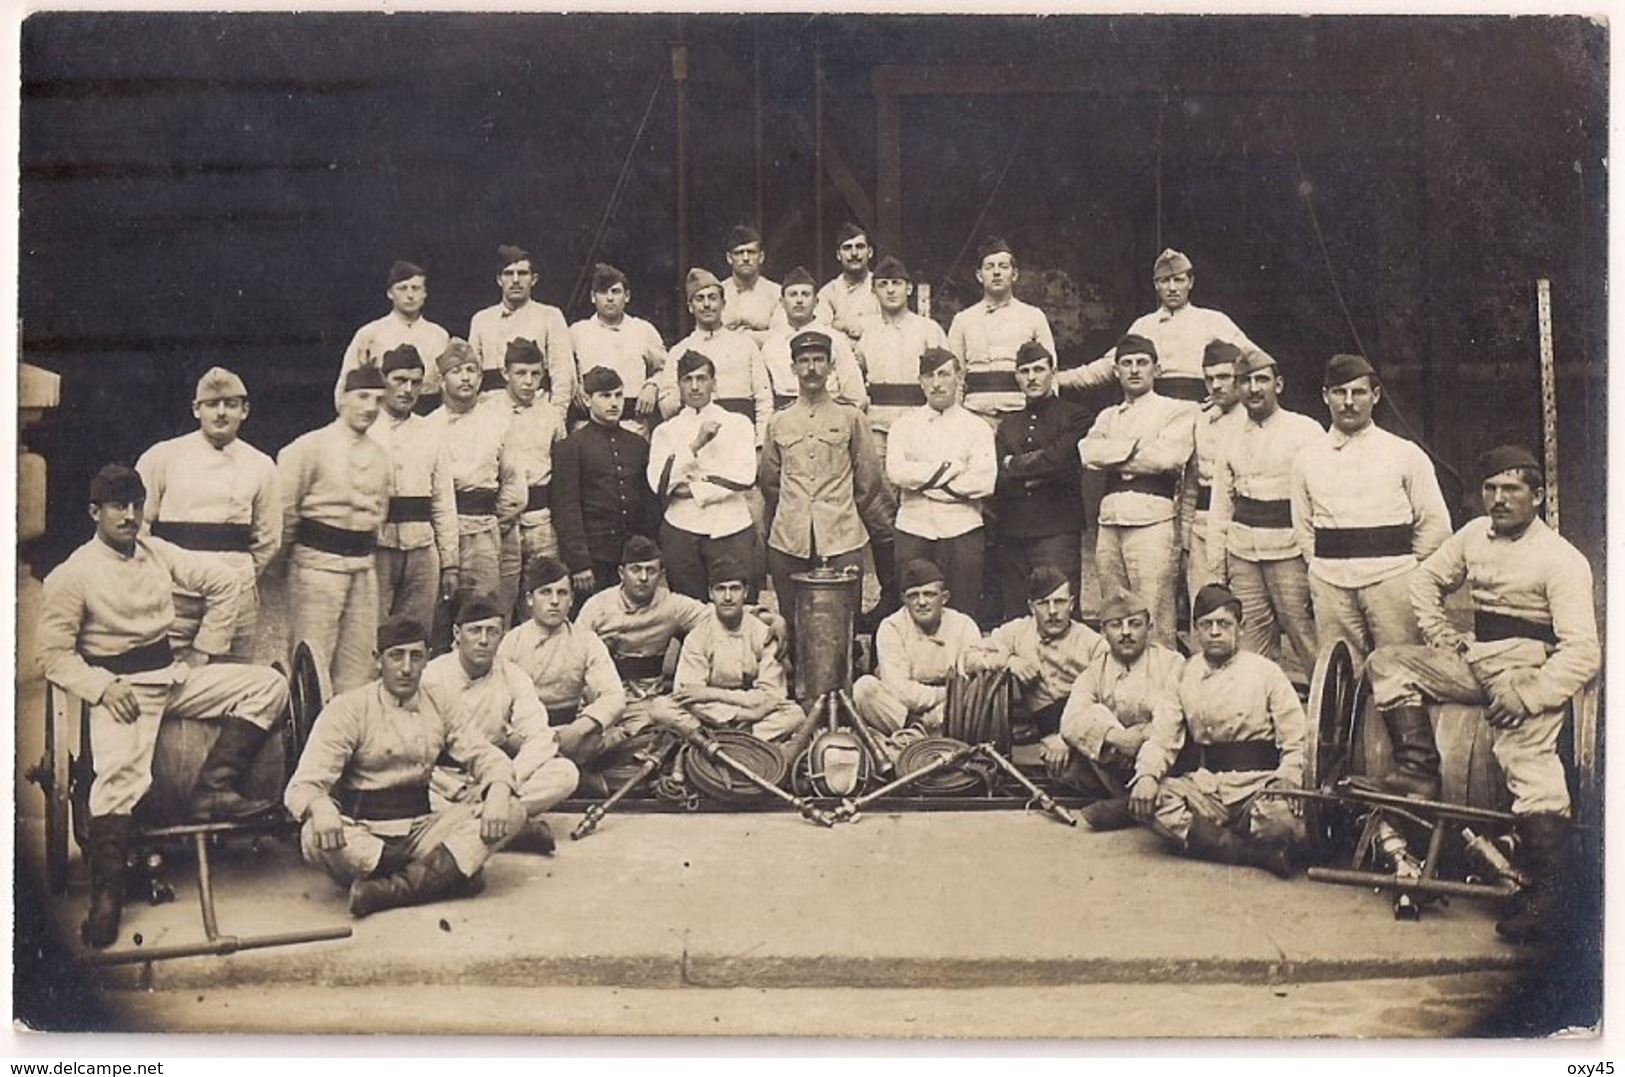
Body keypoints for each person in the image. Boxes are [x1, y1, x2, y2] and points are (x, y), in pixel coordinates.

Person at [40, 465, 290, 947]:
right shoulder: (72, 575)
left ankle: (212, 789)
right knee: (118, 782)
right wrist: (102, 688)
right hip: (122, 691)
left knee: (268, 688)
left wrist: (201, 651)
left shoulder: (158, 552)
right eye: (118, 507)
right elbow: (53, 656)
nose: (130, 516)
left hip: (173, 676)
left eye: (136, 505)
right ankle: (107, 895)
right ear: (96, 512)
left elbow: (224, 582)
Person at [1365, 447, 1599, 944]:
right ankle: (1417, 771)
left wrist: (1529, 696)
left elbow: (1582, 653)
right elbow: (1426, 580)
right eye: (1490, 488)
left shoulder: (1562, 560)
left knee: (1525, 759)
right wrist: (1441, 635)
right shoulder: (1472, 534)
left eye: (1511, 489)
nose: (1498, 499)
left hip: (1522, 669)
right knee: (1386, 663)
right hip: (1474, 659)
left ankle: (1552, 892)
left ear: (1537, 496)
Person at [284, 615, 524, 919]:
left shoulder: (440, 702)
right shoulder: (348, 709)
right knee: (313, 836)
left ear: (428, 659)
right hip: (365, 835)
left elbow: (484, 754)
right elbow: (302, 785)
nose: (407, 668)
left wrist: (500, 789)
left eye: (416, 656)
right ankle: (445, 875)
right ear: (377, 661)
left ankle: (389, 890)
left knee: (513, 809)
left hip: (424, 831)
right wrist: (320, 806)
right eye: (396, 656)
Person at [1129, 584, 1307, 878]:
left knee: (1286, 823)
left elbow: (1296, 738)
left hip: (1259, 785)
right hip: (1208, 786)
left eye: (1223, 624)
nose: (1214, 632)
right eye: (1206, 625)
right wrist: (1147, 775)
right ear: (1195, 631)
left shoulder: (1266, 672)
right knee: (1151, 804)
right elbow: (1162, 737)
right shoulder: (1184, 673)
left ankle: (1211, 839)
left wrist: (1289, 775)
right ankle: (1252, 854)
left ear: (1241, 628)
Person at [1290, 353, 1452, 665]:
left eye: (1358, 392)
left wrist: (1401, 570)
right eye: (1339, 392)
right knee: (1340, 674)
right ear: (1325, 397)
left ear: (1375, 396)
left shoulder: (1404, 454)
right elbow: (1303, 526)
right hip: (1331, 583)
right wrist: (1323, 568)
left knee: (1401, 669)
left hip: (1392, 582)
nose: (1348, 402)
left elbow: (1435, 525)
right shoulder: (1306, 459)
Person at [135, 366, 281, 660]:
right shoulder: (162, 456)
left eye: (231, 404)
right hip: (174, 596)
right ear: (196, 410)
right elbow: (138, 527)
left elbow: (268, 538)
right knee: (166, 680)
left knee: (234, 683)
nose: (221, 413)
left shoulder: (261, 465)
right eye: (212, 404)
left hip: (235, 596)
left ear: (245, 410)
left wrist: (237, 577)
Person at [421, 593, 579, 855]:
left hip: (494, 776)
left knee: (565, 773)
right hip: (444, 779)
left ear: (502, 635)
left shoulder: (513, 676)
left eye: (492, 632)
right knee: (411, 789)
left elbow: (540, 737)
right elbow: (415, 752)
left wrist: (500, 787)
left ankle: (479, 823)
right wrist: (457, 790)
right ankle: (509, 827)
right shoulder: (432, 677)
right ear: (457, 633)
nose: (483, 640)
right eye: (475, 631)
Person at [760, 329, 886, 635]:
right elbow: (769, 480)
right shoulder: (779, 420)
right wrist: (796, 510)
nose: (812, 368)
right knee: (791, 625)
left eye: (819, 360)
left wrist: (839, 509)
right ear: (793, 368)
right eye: (803, 361)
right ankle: (794, 681)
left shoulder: (850, 417)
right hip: (790, 540)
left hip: (841, 537)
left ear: (831, 366)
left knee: (843, 625)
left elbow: (868, 479)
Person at [1206, 349, 1322, 679]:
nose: (1254, 389)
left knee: (1304, 636)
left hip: (1290, 551)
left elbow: (1320, 498)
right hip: (1243, 554)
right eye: (1245, 381)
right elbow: (1221, 507)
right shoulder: (1228, 437)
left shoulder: (1306, 431)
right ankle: (1260, 715)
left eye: (1262, 380)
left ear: (1278, 384)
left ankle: (1329, 719)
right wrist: (1218, 567)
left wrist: (1316, 560)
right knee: (1250, 644)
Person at [277, 366, 392, 692]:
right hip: (316, 569)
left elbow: (379, 512)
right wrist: (287, 562)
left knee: (358, 668)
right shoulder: (307, 448)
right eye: (363, 396)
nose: (370, 407)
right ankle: (308, 739)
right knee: (312, 662)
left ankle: (347, 737)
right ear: (342, 397)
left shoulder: (380, 455)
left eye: (378, 400)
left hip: (362, 570)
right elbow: (284, 511)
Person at [1079, 334, 1196, 649]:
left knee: (1153, 611)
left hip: (1153, 520)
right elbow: (1088, 452)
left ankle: (1160, 686)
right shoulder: (1107, 416)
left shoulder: (1177, 411)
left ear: (1156, 370)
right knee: (1115, 611)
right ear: (1116, 371)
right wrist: (1135, 451)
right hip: (1110, 521)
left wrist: (1115, 455)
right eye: (1126, 363)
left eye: (1142, 363)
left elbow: (1167, 458)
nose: (1134, 370)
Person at [1040, 585, 1184, 831]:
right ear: (1103, 631)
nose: (1126, 633)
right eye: (1116, 625)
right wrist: (1117, 737)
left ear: (1149, 628)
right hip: (1115, 762)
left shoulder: (1171, 664)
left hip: (1160, 758)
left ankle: (1129, 805)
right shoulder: (1095, 671)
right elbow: (1071, 719)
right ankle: (1142, 802)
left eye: (1135, 624)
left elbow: (1169, 724)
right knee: (1063, 752)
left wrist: (1142, 743)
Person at [574, 535, 711, 772]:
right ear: (621, 572)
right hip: (601, 700)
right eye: (635, 570)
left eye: (651, 571)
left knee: (663, 732)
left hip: (644, 705)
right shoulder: (598, 607)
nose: (643, 578)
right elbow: (573, 657)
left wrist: (770, 617)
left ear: (661, 575)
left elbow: (717, 616)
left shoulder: (672, 605)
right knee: (582, 741)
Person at [1056, 249, 1257, 404]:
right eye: (1164, 281)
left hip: (1201, 406)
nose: (1171, 288)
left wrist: (1229, 398)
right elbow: (1108, 366)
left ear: (1191, 282)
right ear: (1155, 285)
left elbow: (1255, 359)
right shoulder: (1144, 325)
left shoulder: (1213, 320)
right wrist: (1056, 379)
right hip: (1154, 409)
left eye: (1178, 280)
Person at [886, 347, 998, 622]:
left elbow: (984, 482)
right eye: (929, 376)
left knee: (963, 610)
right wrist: (952, 469)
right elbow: (897, 473)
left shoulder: (977, 427)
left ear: (958, 377)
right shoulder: (903, 426)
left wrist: (924, 483)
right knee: (911, 610)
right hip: (913, 527)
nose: (936, 383)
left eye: (944, 374)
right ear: (920, 381)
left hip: (963, 529)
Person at [648, 558, 804, 743]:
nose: (728, 597)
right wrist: (741, 714)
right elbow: (688, 694)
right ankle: (743, 742)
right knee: (660, 707)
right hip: (723, 716)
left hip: (745, 715)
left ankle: (713, 743)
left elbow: (771, 696)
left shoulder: (763, 634)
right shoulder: (699, 635)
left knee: (795, 715)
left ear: (745, 593)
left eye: (735, 589)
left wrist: (711, 694)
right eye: (721, 589)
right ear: (711, 593)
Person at [647, 349, 759, 601]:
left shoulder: (738, 423)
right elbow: (659, 483)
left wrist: (691, 490)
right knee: (689, 608)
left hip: (731, 526)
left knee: (738, 606)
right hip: (682, 528)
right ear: (678, 385)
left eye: (702, 378)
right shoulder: (665, 431)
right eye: (688, 379)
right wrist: (695, 445)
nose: (695, 387)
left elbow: (743, 476)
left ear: (714, 383)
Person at [991, 340, 1092, 619]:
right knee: (1016, 615)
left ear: (1053, 372)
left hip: (1057, 528)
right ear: (1017, 378)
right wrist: (1040, 467)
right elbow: (998, 474)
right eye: (1024, 371)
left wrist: (1016, 465)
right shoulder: (1009, 424)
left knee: (1059, 611)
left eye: (1039, 369)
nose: (1032, 377)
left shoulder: (1076, 416)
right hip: (1013, 531)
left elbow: (1061, 462)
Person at [425, 339, 525, 607]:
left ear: (481, 378)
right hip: (437, 534)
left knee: (482, 609)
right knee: (438, 614)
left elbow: (514, 485)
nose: (466, 378)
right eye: (456, 371)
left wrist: (492, 522)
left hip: (484, 530)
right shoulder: (427, 427)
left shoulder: (498, 422)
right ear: (442, 380)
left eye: (471, 370)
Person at [498, 557, 626, 766]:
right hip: (525, 736)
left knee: (606, 738)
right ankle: (571, 775)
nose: (555, 601)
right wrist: (522, 743)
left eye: (562, 593)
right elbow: (496, 702)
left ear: (572, 600)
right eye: (545, 592)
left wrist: (579, 728)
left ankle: (561, 769)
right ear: (530, 599)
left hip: (571, 734)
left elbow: (613, 695)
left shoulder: (586, 640)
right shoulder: (513, 641)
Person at [369, 345, 459, 630]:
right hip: (375, 550)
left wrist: (450, 563)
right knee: (371, 635)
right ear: (383, 380)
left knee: (415, 634)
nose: (408, 389)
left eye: (416, 382)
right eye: (399, 380)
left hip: (422, 550)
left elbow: (443, 501)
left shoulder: (431, 432)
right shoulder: (365, 428)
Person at [962, 566, 1101, 745]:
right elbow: (969, 658)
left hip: (1085, 725)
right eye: (1043, 603)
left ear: (1072, 604)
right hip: (1042, 726)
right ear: (1031, 607)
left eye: (1059, 602)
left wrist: (1066, 736)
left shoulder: (1092, 643)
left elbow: (1110, 693)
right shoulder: (1016, 632)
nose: (1052, 611)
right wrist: (1008, 661)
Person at [483, 337, 566, 621]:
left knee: (543, 602)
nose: (529, 381)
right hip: (503, 521)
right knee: (500, 603)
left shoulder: (551, 414)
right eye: (521, 373)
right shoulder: (488, 410)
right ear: (505, 373)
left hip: (541, 520)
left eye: (535, 374)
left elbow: (561, 466)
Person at [851, 559, 983, 735]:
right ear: (903, 599)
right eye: (914, 595)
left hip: (947, 710)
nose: (921, 602)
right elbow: (899, 690)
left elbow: (968, 685)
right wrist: (945, 693)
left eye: (929, 594)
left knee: (969, 700)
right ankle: (914, 733)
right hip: (902, 712)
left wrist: (944, 705)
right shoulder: (892, 627)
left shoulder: (964, 625)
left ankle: (921, 736)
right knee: (864, 688)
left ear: (944, 598)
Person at [946, 237, 1057, 423]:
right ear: (979, 275)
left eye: (1003, 266)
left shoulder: (1033, 316)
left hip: (1022, 414)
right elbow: (954, 376)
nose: (996, 272)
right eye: (989, 267)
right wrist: (954, 420)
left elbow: (1050, 371)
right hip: (974, 415)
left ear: (1014, 274)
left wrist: (1046, 418)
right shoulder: (963, 320)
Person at [657, 268, 771, 435]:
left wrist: (760, 442)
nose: (707, 305)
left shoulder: (745, 345)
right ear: (690, 306)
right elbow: (667, 405)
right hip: (694, 434)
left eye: (712, 298)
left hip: (740, 436)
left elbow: (764, 398)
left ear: (723, 304)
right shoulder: (679, 351)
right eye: (699, 299)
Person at [854, 254, 947, 452]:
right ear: (873, 291)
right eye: (882, 284)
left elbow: (949, 378)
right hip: (877, 425)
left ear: (909, 288)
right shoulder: (868, 333)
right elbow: (854, 379)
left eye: (896, 283)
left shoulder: (928, 330)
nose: (890, 290)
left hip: (920, 423)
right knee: (879, 480)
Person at [468, 244, 576, 414]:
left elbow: (562, 372)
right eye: (509, 273)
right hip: (491, 411)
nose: (516, 280)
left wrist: (556, 415)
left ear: (534, 279)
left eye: (523, 273)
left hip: (536, 410)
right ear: (499, 279)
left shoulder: (550, 316)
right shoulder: (482, 320)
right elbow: (472, 372)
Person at [334, 260, 450, 410]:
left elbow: (448, 383)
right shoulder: (371, 333)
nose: (410, 295)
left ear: (424, 293)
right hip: (383, 413)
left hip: (429, 413)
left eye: (416, 288)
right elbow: (347, 381)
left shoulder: (439, 335)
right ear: (390, 293)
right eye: (402, 288)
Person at [1184, 341, 1248, 613]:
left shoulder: (1251, 419)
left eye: (1224, 377)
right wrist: (1185, 537)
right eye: (1209, 379)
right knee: (1203, 607)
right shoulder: (1200, 419)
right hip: (1202, 527)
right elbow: (1190, 482)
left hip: (1239, 527)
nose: (1216, 386)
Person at [567, 262, 666, 437]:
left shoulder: (643, 330)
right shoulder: (577, 332)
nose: (610, 298)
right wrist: (574, 387)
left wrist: (653, 385)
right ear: (592, 296)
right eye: (603, 292)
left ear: (627, 296)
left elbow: (666, 369)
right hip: (587, 426)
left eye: (615, 291)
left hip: (632, 425)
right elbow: (563, 371)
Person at [758, 265, 868, 420]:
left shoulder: (835, 338)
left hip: (828, 416)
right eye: (793, 294)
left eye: (805, 294)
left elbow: (856, 395)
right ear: (782, 302)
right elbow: (765, 397)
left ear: (816, 301)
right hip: (786, 420)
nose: (799, 300)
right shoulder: (771, 344)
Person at [815, 222, 881, 343]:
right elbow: (820, 329)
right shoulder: (829, 292)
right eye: (847, 248)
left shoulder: (881, 287)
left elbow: (890, 324)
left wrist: (839, 324)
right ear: (839, 255)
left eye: (860, 247)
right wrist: (846, 326)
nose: (854, 253)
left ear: (870, 252)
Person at [719, 224, 782, 347]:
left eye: (751, 252)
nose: (746, 258)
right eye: (739, 253)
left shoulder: (776, 293)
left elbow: (779, 336)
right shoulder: (717, 292)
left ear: (761, 257)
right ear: (729, 258)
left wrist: (743, 336)